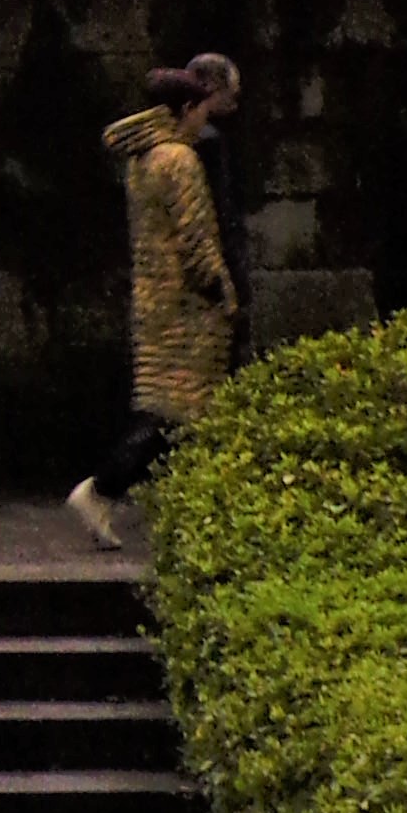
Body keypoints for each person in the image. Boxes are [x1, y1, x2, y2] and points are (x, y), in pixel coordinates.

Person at [69, 54, 244, 549]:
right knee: (171, 414)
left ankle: (178, 507)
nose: (205, 119)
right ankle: (102, 489)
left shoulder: (143, 159)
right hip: (188, 308)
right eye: (200, 111)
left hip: (157, 301)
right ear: (187, 107)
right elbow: (196, 240)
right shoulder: (180, 161)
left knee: (174, 412)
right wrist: (223, 293)